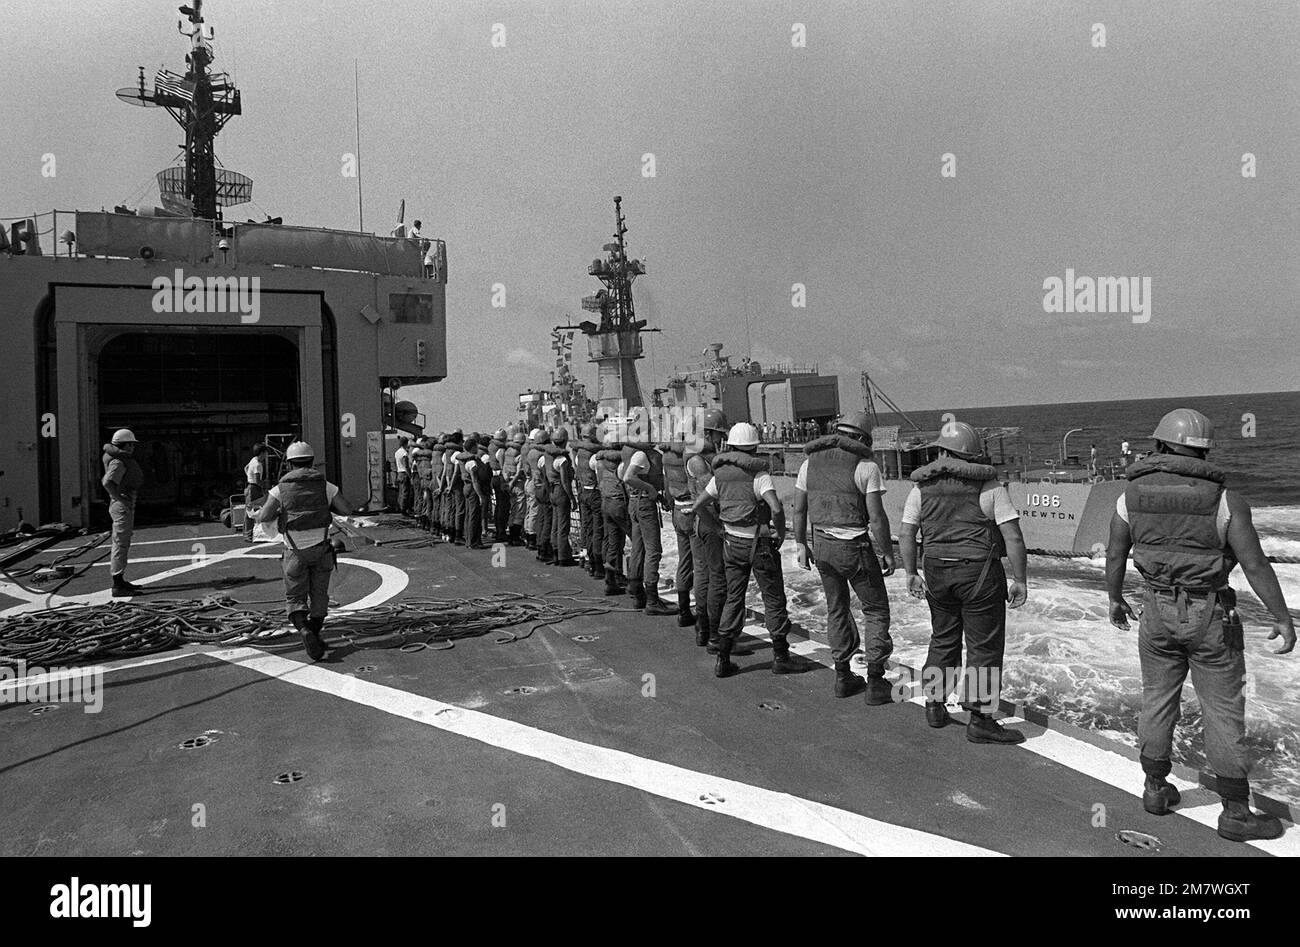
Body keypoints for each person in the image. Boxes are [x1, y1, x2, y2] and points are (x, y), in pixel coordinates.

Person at [1106, 408, 1295, 842]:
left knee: (1156, 699)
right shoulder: (1226, 500)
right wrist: (1282, 618)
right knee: (1224, 711)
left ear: (1158, 446)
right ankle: (1234, 813)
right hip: (1211, 614)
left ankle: (1155, 790)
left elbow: (1115, 555)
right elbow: (1254, 563)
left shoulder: (1128, 496)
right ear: (1204, 451)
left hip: (1155, 609)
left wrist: (1116, 599)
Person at [899, 420, 1028, 744]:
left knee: (943, 637)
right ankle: (981, 719)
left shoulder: (921, 488)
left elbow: (906, 534)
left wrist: (911, 573)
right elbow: (1012, 536)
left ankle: (934, 703)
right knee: (983, 646)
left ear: (941, 451)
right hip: (980, 576)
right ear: (973, 455)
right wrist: (1020, 580)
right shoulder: (990, 487)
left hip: (937, 574)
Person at [792, 410, 895, 701]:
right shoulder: (866, 465)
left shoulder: (810, 462)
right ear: (863, 439)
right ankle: (875, 681)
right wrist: (888, 553)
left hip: (822, 545)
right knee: (875, 610)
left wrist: (801, 544)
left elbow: (799, 510)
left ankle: (842, 676)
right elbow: (876, 518)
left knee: (837, 608)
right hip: (855, 548)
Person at [692, 421, 794, 677]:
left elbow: (698, 505)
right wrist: (780, 533)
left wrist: (717, 527)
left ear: (731, 445)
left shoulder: (720, 475)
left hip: (731, 544)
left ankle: (723, 659)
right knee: (773, 598)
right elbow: (777, 508)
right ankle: (781, 657)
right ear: (754, 447)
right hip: (758, 544)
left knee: (733, 598)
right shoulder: (759, 475)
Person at [255, 441, 352, 661]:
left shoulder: (280, 489)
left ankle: (305, 631)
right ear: (311, 461)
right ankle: (314, 633)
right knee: (319, 597)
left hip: (294, 552)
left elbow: (264, 517)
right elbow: (347, 508)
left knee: (295, 598)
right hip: (322, 549)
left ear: (290, 464)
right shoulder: (325, 485)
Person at [622, 417, 677, 615]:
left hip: (635, 503)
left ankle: (637, 593)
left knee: (638, 548)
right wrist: (650, 489)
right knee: (653, 550)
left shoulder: (629, 452)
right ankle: (653, 600)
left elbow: (624, 476)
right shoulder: (641, 456)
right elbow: (628, 477)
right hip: (644, 504)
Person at [687, 409, 728, 648]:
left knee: (703, 575)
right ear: (708, 433)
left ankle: (703, 629)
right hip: (709, 523)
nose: (719, 440)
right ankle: (714, 634)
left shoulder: (698, 457)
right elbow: (709, 497)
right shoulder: (698, 461)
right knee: (716, 578)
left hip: (702, 522)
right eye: (717, 435)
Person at [102, 428, 146, 597]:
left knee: (123, 541)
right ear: (124, 445)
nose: (133, 448)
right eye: (131, 444)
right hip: (121, 505)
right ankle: (118, 584)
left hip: (121, 502)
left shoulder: (117, 458)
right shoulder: (118, 462)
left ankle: (120, 581)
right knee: (120, 542)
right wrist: (120, 499)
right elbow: (107, 482)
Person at [662, 430, 696, 627]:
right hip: (692, 509)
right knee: (700, 564)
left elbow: (666, 483)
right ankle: (703, 617)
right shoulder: (690, 457)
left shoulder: (666, 457)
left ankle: (683, 611)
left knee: (684, 561)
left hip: (677, 507)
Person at [596, 426, 631, 596]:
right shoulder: (622, 462)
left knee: (613, 542)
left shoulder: (600, 461)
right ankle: (635, 581)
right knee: (636, 540)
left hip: (605, 502)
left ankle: (611, 581)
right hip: (619, 503)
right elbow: (628, 482)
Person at [572, 423, 605, 577]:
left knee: (586, 527)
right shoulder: (594, 455)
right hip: (595, 494)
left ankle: (585, 559)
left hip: (583, 492)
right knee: (598, 530)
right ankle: (598, 565)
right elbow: (601, 478)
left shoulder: (579, 453)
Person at [545, 427, 577, 566]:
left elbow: (543, 475)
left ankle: (555, 552)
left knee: (555, 525)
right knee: (563, 525)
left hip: (551, 490)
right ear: (564, 441)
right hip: (560, 491)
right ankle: (564, 557)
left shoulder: (547, 456)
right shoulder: (562, 459)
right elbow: (565, 481)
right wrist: (572, 498)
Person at [458, 435, 488, 549]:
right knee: (474, 515)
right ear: (473, 448)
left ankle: (469, 540)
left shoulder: (462, 460)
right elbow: (475, 480)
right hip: (472, 488)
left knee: (469, 514)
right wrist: (481, 495)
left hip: (466, 487)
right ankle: (473, 541)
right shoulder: (472, 463)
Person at [503, 432, 527, 545]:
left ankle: (511, 536)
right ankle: (516, 537)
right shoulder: (520, 455)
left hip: (508, 484)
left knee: (513, 509)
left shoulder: (508, 453)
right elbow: (518, 472)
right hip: (518, 484)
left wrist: (507, 482)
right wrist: (513, 482)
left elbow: (504, 468)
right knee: (520, 510)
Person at [243, 443, 269, 542]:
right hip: (254, 488)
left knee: (250, 510)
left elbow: (246, 468)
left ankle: (249, 533)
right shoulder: (258, 465)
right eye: (265, 453)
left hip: (251, 486)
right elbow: (258, 480)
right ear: (262, 453)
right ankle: (249, 534)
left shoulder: (253, 460)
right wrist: (265, 487)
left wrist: (249, 477)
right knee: (252, 511)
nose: (266, 455)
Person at [489, 428, 510, 543]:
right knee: (503, 506)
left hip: (494, 477)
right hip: (500, 478)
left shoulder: (491, 447)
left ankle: (499, 530)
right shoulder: (501, 450)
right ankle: (501, 531)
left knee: (498, 505)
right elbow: (503, 467)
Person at [393, 436, 412, 514]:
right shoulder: (404, 453)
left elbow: (395, 463)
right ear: (406, 443)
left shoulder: (397, 452)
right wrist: (410, 475)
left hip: (399, 473)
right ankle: (403, 509)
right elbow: (406, 466)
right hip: (404, 473)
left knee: (400, 492)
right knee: (405, 492)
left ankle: (399, 507)